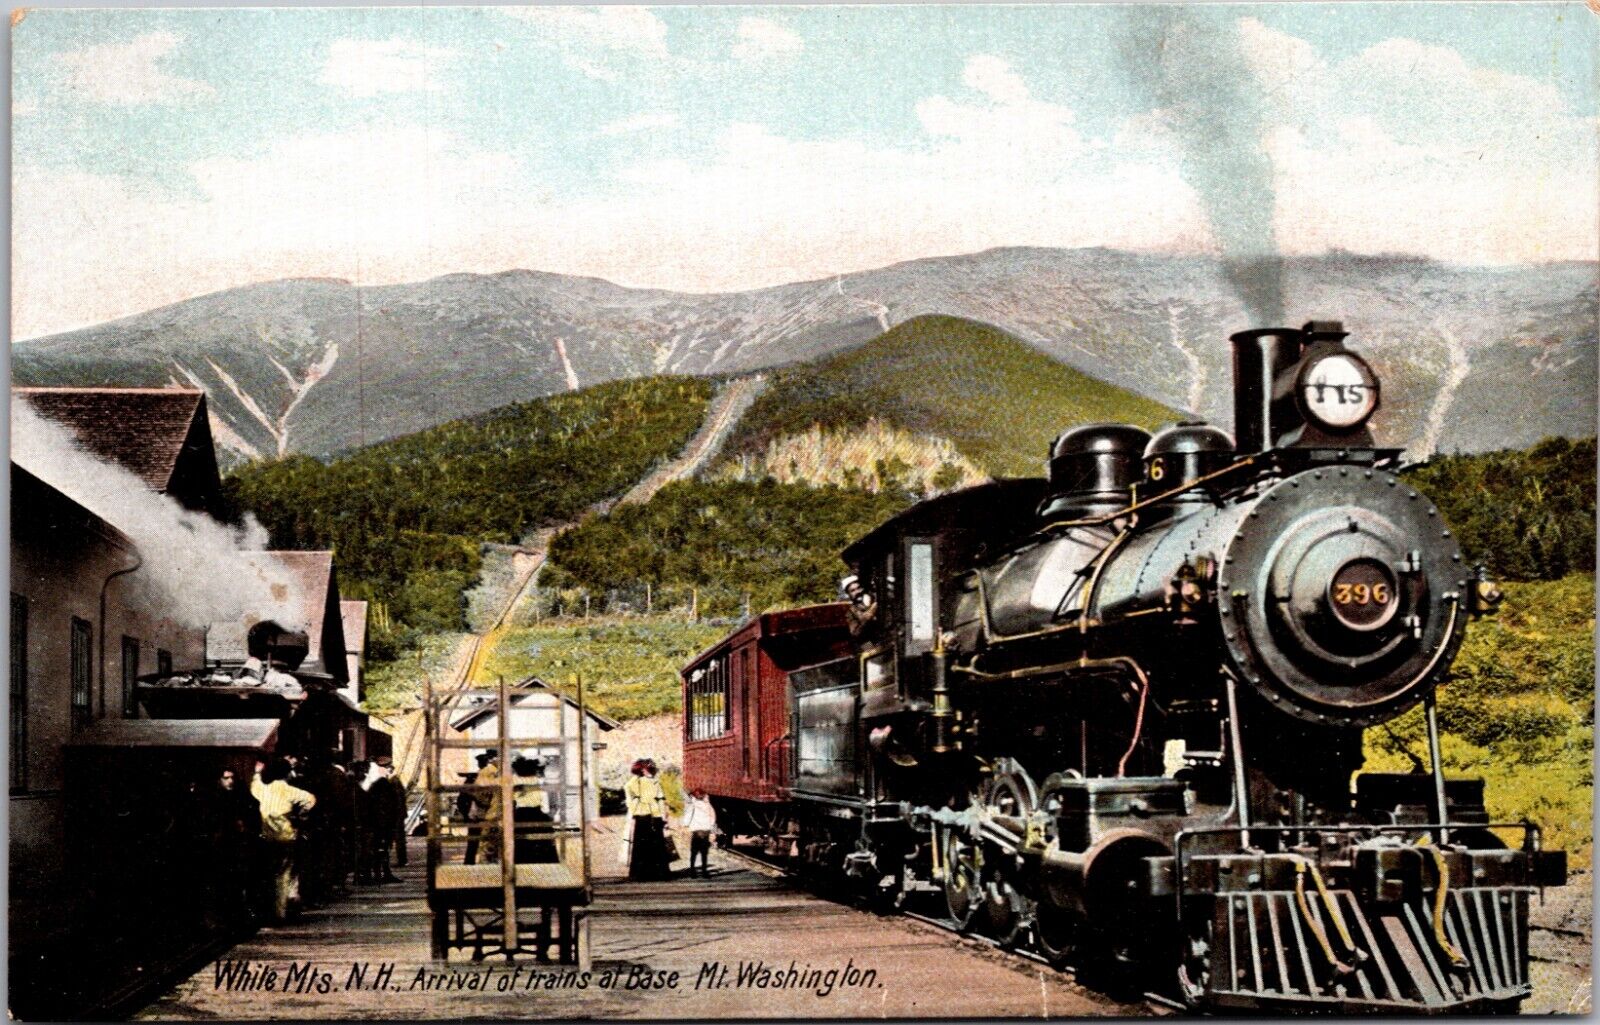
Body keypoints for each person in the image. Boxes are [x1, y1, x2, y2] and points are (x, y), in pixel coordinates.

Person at [252, 756, 316, 923]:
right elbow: (310, 799)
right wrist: (300, 815)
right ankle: (280, 912)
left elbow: (255, 782)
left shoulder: (260, 788)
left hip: (264, 837)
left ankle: (264, 911)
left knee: (267, 875)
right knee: (284, 875)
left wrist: (257, 773)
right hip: (286, 837)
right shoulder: (288, 790)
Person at [624, 758, 670, 881]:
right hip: (653, 815)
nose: (652, 771)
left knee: (641, 845)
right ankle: (659, 873)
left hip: (643, 814)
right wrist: (665, 817)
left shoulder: (636, 781)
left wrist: (633, 808)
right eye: (650, 769)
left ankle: (640, 874)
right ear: (643, 770)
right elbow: (661, 800)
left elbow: (628, 793)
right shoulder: (651, 782)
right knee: (656, 844)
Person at [511, 756, 559, 864]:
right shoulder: (538, 783)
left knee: (523, 851)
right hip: (535, 816)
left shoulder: (517, 782)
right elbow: (553, 804)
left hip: (523, 816)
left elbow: (554, 803)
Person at [679, 787, 718, 878]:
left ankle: (693, 871)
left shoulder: (693, 805)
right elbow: (713, 817)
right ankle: (704, 872)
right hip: (705, 831)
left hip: (696, 832)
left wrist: (685, 825)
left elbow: (688, 817)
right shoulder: (708, 805)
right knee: (704, 853)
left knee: (694, 852)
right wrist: (712, 828)